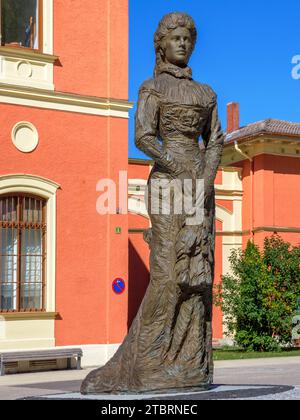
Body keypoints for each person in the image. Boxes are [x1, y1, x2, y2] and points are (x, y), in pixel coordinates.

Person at [81, 12, 224, 395]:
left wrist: (204, 183)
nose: (183, 43)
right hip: (165, 184)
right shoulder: (151, 88)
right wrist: (176, 164)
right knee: (166, 271)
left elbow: (214, 142)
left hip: (198, 188)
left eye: (188, 39)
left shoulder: (206, 93)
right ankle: (147, 361)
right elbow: (142, 137)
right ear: (162, 44)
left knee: (197, 272)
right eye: (175, 38)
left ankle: (190, 362)